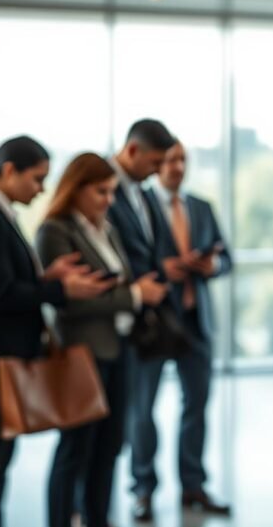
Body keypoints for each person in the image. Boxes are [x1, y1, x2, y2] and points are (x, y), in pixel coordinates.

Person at [0, 137, 110, 527]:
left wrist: (46, 278)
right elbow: (2, 294)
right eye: (37, 179)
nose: (42, 189)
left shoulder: (1, 213)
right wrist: (60, 289)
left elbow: (3, 282)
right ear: (9, 171)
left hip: (4, 353)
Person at [37, 153, 168, 527]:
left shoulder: (106, 229)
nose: (108, 200)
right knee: (76, 449)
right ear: (75, 189)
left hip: (119, 348)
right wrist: (135, 296)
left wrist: (129, 293)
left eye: (111, 192)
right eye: (100, 192)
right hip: (82, 353)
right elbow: (72, 300)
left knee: (109, 448)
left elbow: (110, 285)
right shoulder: (56, 231)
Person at [131, 140, 233, 518]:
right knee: (143, 409)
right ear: (158, 164)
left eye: (183, 160)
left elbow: (228, 259)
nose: (177, 167)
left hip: (195, 319)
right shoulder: (140, 206)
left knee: (197, 406)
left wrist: (212, 266)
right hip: (155, 321)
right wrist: (164, 270)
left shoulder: (201, 207)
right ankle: (143, 488)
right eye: (170, 160)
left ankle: (193, 486)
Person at [103, 118, 176, 522]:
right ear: (132, 151)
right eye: (154, 161)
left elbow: (154, 247)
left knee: (137, 411)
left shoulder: (143, 195)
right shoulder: (102, 186)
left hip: (143, 321)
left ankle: (136, 489)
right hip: (111, 320)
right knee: (106, 426)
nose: (158, 170)